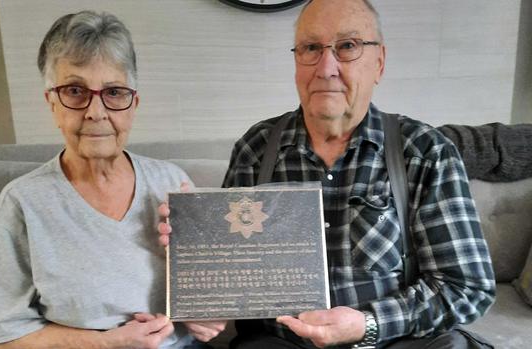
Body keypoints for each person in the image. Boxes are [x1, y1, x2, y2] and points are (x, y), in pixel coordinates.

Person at [159, 0, 495, 348]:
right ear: (296, 61)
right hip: (282, 343)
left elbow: (466, 287)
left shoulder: (426, 151)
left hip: (393, 341)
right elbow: (230, 276)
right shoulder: (256, 148)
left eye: (347, 46)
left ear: (378, 62)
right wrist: (193, 252)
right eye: (311, 48)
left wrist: (368, 323)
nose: (326, 67)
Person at [0, 11, 225, 349]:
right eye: (75, 90)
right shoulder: (22, 202)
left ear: (133, 104)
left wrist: (206, 315)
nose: (95, 111)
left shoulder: (172, 182)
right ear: (52, 103)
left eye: (114, 92)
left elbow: (211, 301)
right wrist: (107, 342)